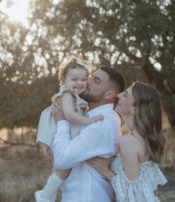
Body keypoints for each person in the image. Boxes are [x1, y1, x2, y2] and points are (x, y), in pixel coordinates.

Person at [51, 66, 125, 202]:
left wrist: (61, 122)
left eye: (96, 81)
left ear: (109, 95)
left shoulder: (103, 122)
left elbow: (62, 160)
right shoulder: (87, 115)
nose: (87, 81)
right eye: (90, 76)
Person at [35, 57, 104, 202]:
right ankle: (44, 194)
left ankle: (49, 195)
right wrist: (90, 120)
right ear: (64, 82)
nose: (79, 83)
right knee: (64, 168)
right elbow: (70, 116)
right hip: (53, 135)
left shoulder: (77, 97)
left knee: (63, 169)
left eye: (83, 79)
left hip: (62, 134)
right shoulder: (67, 95)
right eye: (74, 80)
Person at [87, 81, 167, 202]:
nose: (118, 95)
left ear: (135, 109)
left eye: (125, 95)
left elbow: (134, 195)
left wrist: (106, 171)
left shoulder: (129, 141)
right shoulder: (140, 137)